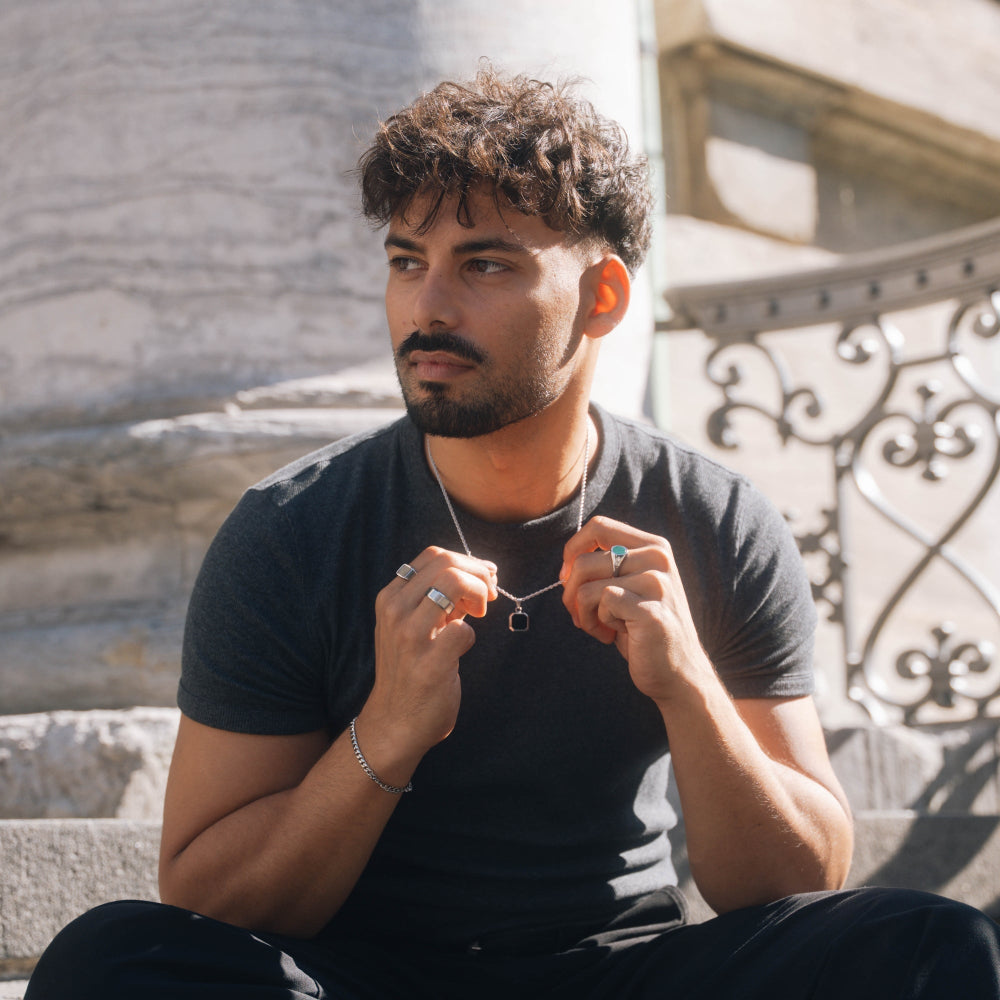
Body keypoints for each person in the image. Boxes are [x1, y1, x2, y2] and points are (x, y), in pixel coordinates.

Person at [26, 67, 1000, 1000]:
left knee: (931, 946)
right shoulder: (290, 530)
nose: (428, 306)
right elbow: (208, 898)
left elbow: (799, 877)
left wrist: (687, 685)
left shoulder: (712, 518)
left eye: (484, 264)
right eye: (406, 263)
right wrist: (385, 734)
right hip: (362, 978)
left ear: (601, 297)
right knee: (107, 963)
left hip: (625, 970)